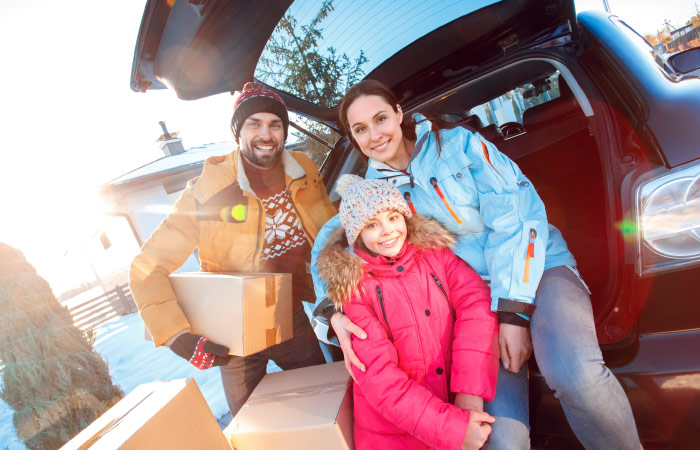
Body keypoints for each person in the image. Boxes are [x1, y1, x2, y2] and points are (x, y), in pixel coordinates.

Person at [310, 80, 642, 450]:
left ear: (399, 113)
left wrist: (513, 312)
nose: (374, 135)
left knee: (575, 374)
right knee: (499, 440)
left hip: (538, 269)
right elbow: (331, 245)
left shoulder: (459, 146)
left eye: (380, 118)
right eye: (360, 129)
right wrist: (331, 311)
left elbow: (516, 214)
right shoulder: (372, 194)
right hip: (473, 309)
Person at [130, 82, 337, 416]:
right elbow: (146, 266)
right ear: (238, 132)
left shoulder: (305, 171)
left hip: (290, 312)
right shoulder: (206, 191)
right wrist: (176, 335)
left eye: (275, 124)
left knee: (327, 402)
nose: (266, 134)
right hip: (233, 328)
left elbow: (331, 230)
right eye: (254, 124)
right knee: (250, 424)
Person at [317, 173, 498, 450]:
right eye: (372, 224)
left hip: (453, 406)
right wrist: (450, 427)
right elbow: (380, 379)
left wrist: (469, 392)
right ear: (357, 236)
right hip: (395, 434)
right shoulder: (354, 291)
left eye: (393, 217)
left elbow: (475, 304)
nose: (388, 230)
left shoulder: (436, 255)